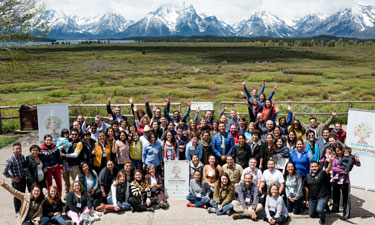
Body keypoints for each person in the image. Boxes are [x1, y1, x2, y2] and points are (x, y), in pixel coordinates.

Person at [304, 150, 335, 224]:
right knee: (311, 215)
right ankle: (323, 207)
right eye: (312, 167)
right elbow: (306, 188)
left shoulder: (322, 173)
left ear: (318, 166)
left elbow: (328, 169)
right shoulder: (307, 176)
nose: (314, 168)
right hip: (312, 198)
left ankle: (322, 217)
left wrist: (331, 161)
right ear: (310, 167)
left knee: (319, 210)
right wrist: (307, 200)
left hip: (322, 197)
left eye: (315, 166)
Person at [331, 146, 360, 219]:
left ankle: (346, 214)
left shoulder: (348, 156)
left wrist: (357, 160)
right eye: (337, 150)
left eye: (340, 150)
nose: (339, 152)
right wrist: (344, 171)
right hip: (335, 179)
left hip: (345, 180)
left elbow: (358, 164)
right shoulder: (334, 158)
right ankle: (335, 209)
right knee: (335, 195)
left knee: (346, 197)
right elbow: (333, 168)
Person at [3, 143, 27, 215]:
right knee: (17, 197)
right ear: (13, 150)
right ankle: (17, 212)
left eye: (20, 148)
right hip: (16, 181)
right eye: (17, 149)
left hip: (23, 179)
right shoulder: (11, 159)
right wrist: (13, 178)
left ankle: (22, 209)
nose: (18, 150)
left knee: (22, 195)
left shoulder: (22, 156)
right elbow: (4, 171)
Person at [60, 128, 83, 194]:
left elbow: (75, 155)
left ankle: (76, 194)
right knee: (66, 180)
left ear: (78, 135)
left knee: (75, 181)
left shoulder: (79, 143)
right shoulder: (67, 140)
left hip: (74, 165)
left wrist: (65, 155)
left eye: (76, 134)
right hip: (66, 164)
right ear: (70, 134)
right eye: (72, 134)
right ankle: (68, 193)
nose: (74, 136)